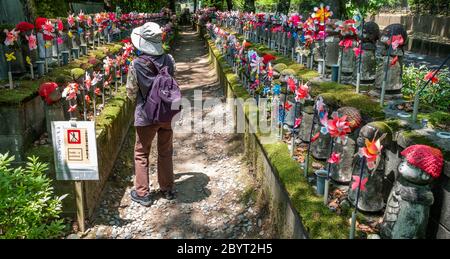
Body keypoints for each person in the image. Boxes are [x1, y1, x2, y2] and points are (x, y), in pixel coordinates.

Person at [126, 22, 176, 206]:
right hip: (166, 113)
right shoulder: (169, 59)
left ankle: (143, 193)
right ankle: (167, 189)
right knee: (165, 150)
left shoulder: (136, 64)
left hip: (146, 115)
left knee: (141, 152)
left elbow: (131, 91)